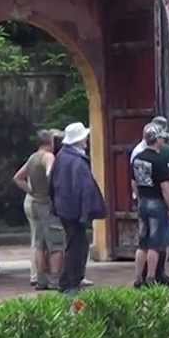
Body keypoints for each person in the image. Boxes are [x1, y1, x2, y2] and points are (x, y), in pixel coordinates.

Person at [50, 122, 107, 294]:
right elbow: (83, 189)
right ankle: (70, 281)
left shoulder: (62, 156)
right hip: (74, 211)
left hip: (65, 209)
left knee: (75, 244)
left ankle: (70, 280)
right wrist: (84, 214)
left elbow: (52, 184)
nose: (87, 141)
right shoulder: (76, 161)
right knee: (77, 247)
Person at [130, 116, 169, 287]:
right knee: (155, 243)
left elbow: (133, 182)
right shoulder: (158, 160)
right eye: (161, 138)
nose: (162, 141)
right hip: (157, 202)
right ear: (156, 139)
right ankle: (151, 277)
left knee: (142, 243)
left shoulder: (137, 158)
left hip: (143, 200)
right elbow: (166, 187)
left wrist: (139, 196)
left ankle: (138, 277)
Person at [14, 129, 63, 290]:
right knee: (56, 244)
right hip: (46, 205)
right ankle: (55, 280)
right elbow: (50, 170)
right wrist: (53, 184)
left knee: (39, 244)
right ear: (51, 141)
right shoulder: (48, 156)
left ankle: (41, 280)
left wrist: (31, 190)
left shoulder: (33, 157)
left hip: (34, 202)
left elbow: (18, 178)